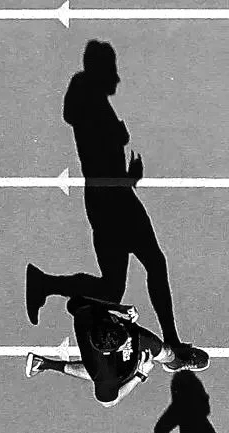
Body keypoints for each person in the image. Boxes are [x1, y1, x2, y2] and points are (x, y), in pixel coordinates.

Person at [22, 41, 208, 380]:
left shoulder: (89, 103)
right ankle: (173, 345)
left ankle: (46, 283)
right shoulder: (92, 105)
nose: (117, 78)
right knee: (153, 263)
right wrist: (127, 178)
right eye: (112, 70)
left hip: (108, 197)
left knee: (113, 287)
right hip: (114, 200)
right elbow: (99, 153)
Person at [24, 267, 204, 406]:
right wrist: (141, 374)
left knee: (164, 351)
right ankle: (46, 364)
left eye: (119, 326)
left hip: (101, 338)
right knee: (105, 376)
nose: (122, 325)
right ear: (116, 348)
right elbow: (109, 401)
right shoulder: (106, 374)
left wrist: (119, 309)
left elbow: (76, 302)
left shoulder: (92, 317)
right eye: (122, 331)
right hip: (122, 368)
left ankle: (175, 362)